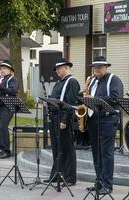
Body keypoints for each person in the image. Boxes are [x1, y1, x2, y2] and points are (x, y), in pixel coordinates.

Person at [86, 56, 123, 194]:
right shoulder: (93, 81)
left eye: (100, 67)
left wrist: (95, 99)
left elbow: (116, 98)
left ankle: (107, 185)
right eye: (95, 67)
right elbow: (88, 97)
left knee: (106, 153)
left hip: (107, 120)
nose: (97, 69)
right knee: (96, 153)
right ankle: (99, 182)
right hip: (94, 120)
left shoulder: (113, 79)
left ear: (106, 67)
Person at [44, 58, 80, 186]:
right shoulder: (59, 82)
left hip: (63, 118)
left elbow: (71, 103)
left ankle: (70, 178)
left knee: (67, 148)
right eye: (56, 69)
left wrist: (65, 120)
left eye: (59, 68)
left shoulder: (72, 82)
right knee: (56, 147)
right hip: (54, 118)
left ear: (66, 67)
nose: (57, 71)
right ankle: (57, 174)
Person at [0, 60, 19, 159]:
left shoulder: (13, 79)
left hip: (8, 106)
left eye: (4, 68)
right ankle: (1, 148)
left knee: (3, 127)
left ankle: (6, 150)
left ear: (10, 69)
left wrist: (0, 86)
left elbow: (13, 91)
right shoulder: (0, 79)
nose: (2, 70)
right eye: (1, 68)